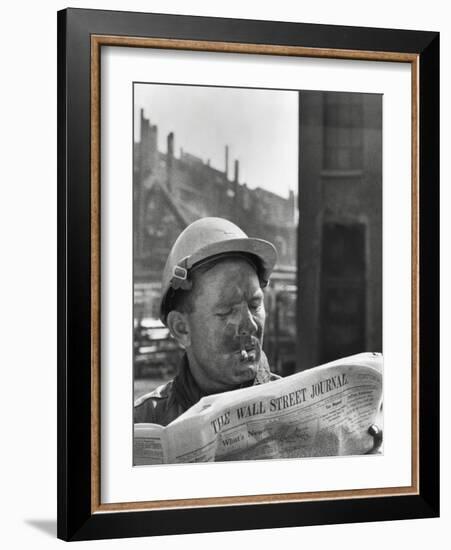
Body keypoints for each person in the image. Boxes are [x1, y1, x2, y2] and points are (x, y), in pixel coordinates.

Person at [134, 217, 280, 426]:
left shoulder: (301, 416)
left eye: (255, 305)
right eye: (228, 310)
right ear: (181, 328)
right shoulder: (142, 423)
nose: (251, 325)